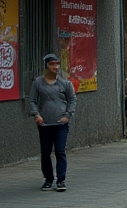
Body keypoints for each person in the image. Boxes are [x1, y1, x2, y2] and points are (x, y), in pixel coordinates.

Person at [28, 53, 76, 191]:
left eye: (57, 64)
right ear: (46, 66)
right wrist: (36, 115)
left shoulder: (65, 83)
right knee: (45, 152)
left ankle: (61, 180)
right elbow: (31, 100)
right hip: (45, 124)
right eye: (52, 64)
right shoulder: (38, 83)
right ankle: (49, 179)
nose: (55, 67)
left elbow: (72, 100)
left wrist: (67, 115)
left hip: (61, 124)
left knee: (60, 151)